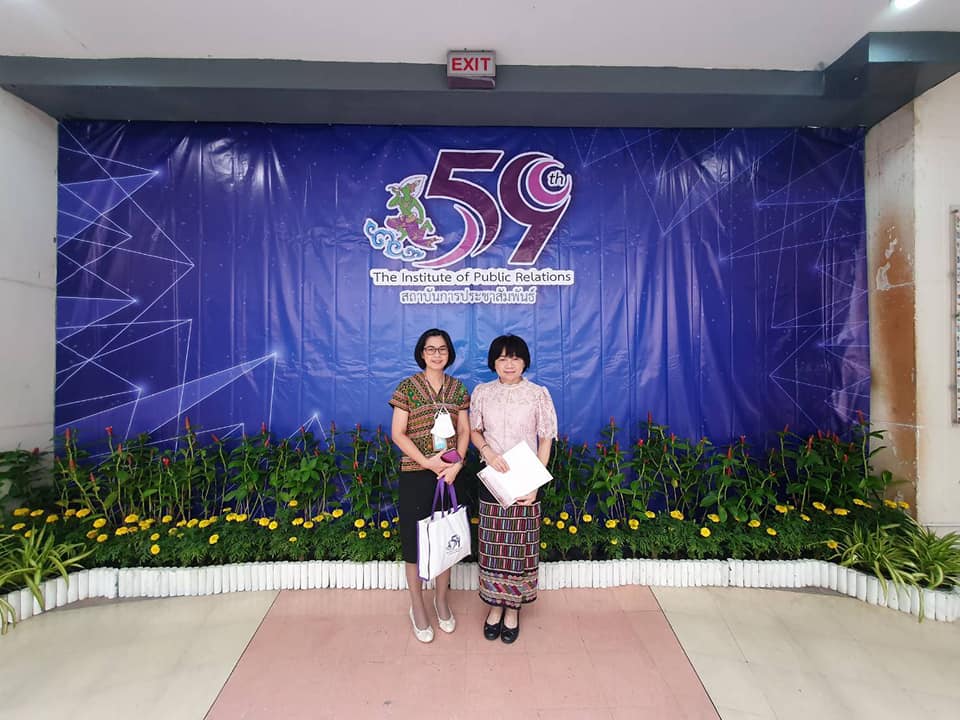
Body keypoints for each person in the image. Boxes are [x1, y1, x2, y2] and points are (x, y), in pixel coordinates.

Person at [470, 334, 557, 644]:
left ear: (525, 362)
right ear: (493, 362)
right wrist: (488, 452)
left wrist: (536, 483)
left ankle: (513, 610)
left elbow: (545, 439)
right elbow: (475, 431)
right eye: (503, 358)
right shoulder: (482, 393)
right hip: (493, 481)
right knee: (493, 547)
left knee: (519, 547)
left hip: (525, 484)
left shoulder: (537, 395)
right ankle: (495, 606)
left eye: (516, 358)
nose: (509, 364)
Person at [390, 328, 470, 643]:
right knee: (415, 543)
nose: (437, 354)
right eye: (430, 349)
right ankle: (417, 605)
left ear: (449, 354)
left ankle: (441, 600)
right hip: (416, 473)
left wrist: (457, 464)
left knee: (443, 539)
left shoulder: (458, 388)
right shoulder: (407, 388)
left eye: (442, 349)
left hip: (449, 475)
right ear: (422, 353)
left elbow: (464, 431)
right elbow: (398, 433)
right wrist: (426, 462)